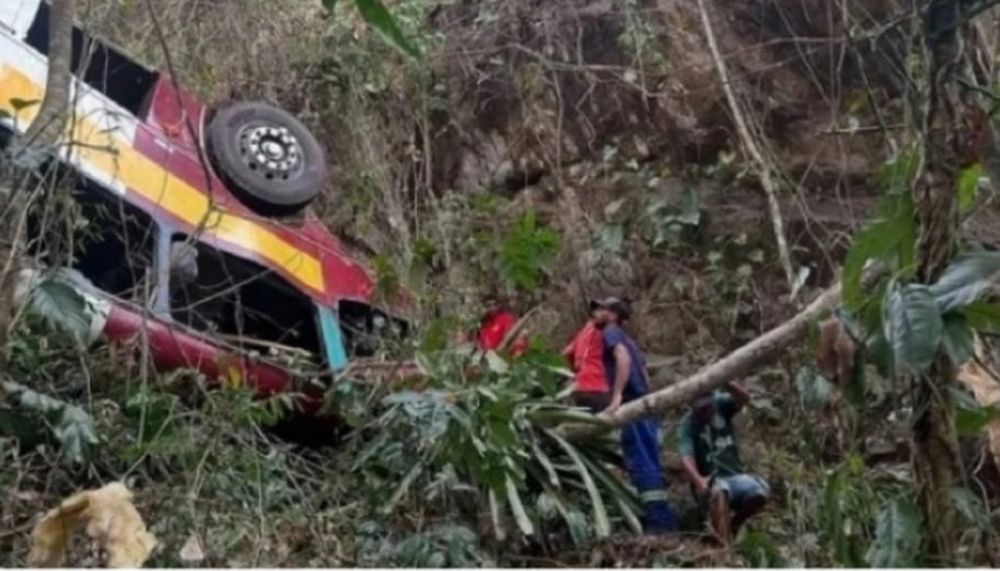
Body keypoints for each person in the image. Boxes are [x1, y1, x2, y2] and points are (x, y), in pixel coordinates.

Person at [591, 296, 677, 534]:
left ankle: (658, 526)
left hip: (633, 408)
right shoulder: (630, 341)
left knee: (641, 464)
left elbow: (623, 359)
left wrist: (617, 396)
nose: (595, 313)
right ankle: (664, 521)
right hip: (644, 408)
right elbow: (643, 371)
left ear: (613, 315)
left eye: (601, 310)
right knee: (650, 463)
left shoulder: (611, 333)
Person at [677, 382, 768, 542]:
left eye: (708, 407)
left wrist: (726, 382)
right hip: (711, 481)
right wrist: (699, 481)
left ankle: (735, 524)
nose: (706, 412)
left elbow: (744, 398)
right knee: (720, 493)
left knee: (759, 493)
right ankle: (722, 542)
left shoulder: (722, 404)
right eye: (701, 409)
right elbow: (686, 458)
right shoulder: (688, 424)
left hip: (734, 477)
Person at [562, 307, 609, 413]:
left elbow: (566, 353)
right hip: (598, 387)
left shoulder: (584, 332)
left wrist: (573, 372)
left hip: (579, 386)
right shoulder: (605, 332)